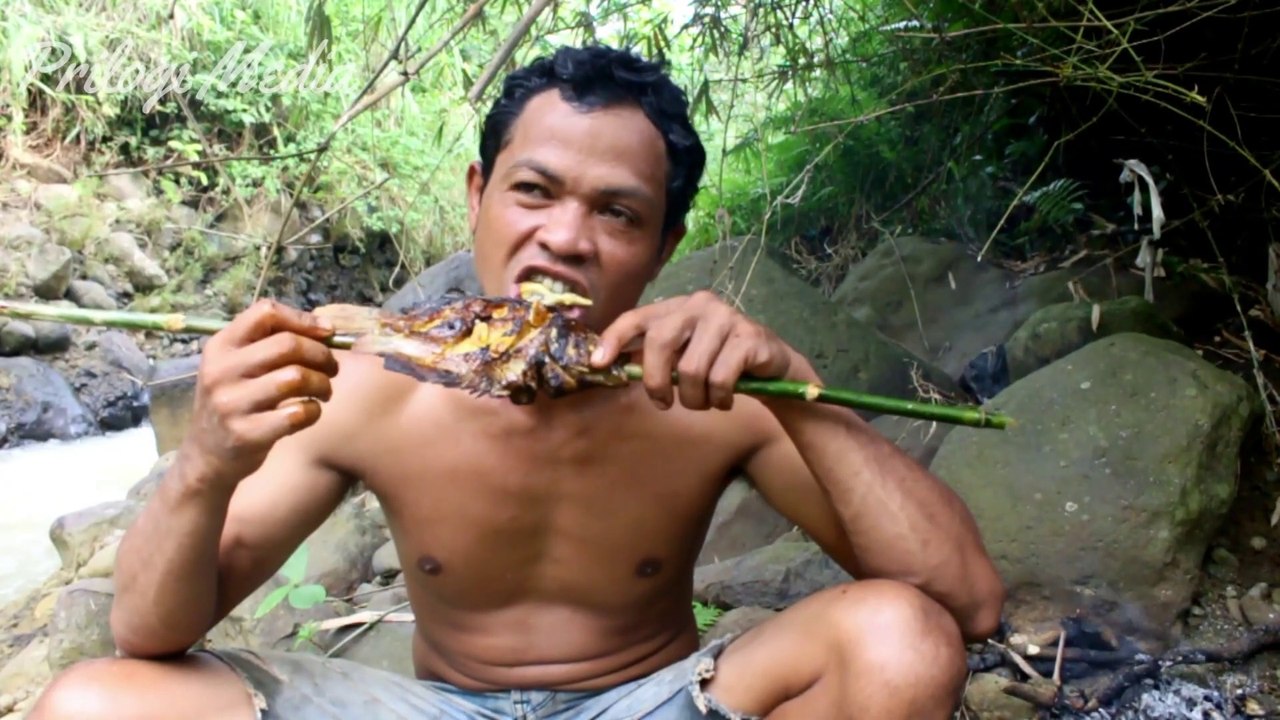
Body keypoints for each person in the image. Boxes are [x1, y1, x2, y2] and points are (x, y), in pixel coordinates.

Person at [28, 44, 1004, 720]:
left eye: (617, 213)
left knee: (900, 640)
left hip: (655, 702)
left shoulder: (714, 389)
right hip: (435, 708)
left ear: (664, 247)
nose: (565, 237)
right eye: (533, 191)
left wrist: (799, 392)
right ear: (477, 197)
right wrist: (205, 462)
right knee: (93, 703)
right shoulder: (370, 382)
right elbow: (146, 632)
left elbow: (962, 606)